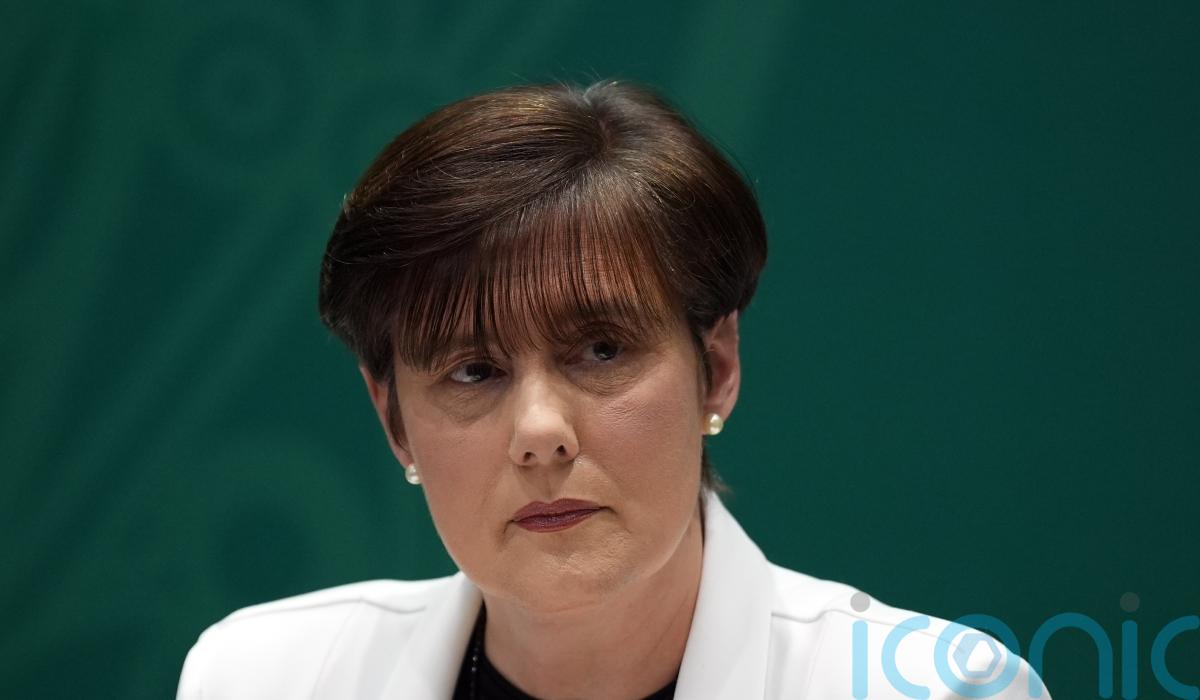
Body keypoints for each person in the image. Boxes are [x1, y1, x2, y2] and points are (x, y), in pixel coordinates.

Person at [177, 80, 1051, 699]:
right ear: (394, 421)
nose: (540, 430)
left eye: (600, 350)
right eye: (474, 371)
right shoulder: (260, 679)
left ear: (716, 368)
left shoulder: (936, 691)